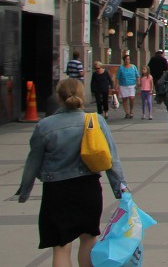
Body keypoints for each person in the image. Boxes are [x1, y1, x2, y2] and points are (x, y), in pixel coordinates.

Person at [16, 78, 127, 267]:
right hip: (88, 188)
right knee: (89, 239)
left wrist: (24, 191)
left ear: (58, 98)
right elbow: (111, 158)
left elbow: (33, 161)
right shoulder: (95, 120)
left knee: (60, 245)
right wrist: (120, 188)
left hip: (57, 191)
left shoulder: (45, 126)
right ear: (82, 96)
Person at [116, 53, 139, 119]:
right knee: (124, 99)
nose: (127, 61)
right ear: (124, 60)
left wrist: (138, 83)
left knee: (131, 98)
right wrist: (116, 85)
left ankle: (131, 111)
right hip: (123, 85)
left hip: (132, 85)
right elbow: (117, 77)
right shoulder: (121, 68)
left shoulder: (133, 67)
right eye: (126, 59)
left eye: (128, 59)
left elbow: (137, 75)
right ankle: (127, 112)